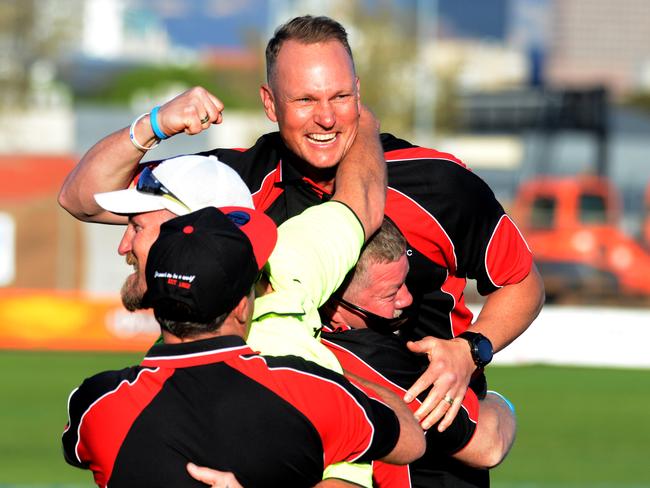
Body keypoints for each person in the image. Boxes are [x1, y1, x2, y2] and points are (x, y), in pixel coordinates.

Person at [58, 15, 545, 430]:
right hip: (297, 445)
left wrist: (471, 350)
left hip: (431, 444)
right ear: (270, 104)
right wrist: (155, 124)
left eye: (339, 97)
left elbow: (523, 284)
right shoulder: (231, 186)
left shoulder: (439, 182)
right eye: (306, 101)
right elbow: (81, 197)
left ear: (359, 92)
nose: (327, 118)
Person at [68, 110, 394, 487]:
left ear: (192, 230)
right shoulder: (293, 252)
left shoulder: (273, 358)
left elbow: (346, 482)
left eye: (137, 226)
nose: (124, 245)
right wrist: (358, 116)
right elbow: (362, 198)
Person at [62, 206, 425, 487]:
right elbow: (411, 439)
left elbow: (79, 450)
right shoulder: (311, 391)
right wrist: (335, 373)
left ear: (154, 296)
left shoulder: (95, 403)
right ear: (241, 305)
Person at [319, 218, 516, 487]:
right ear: (335, 302)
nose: (406, 299)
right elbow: (488, 444)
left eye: (405, 281)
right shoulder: (372, 358)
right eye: (391, 293)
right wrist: (501, 403)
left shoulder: (282, 335)